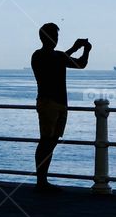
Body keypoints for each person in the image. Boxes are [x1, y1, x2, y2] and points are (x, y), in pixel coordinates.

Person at [31, 22, 91, 192]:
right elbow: (70, 62)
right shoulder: (40, 56)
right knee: (46, 141)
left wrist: (81, 49)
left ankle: (42, 180)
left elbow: (74, 62)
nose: (55, 39)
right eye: (53, 36)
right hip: (49, 103)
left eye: (56, 36)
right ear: (43, 37)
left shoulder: (53, 56)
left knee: (51, 141)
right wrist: (80, 48)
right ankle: (41, 181)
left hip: (59, 104)